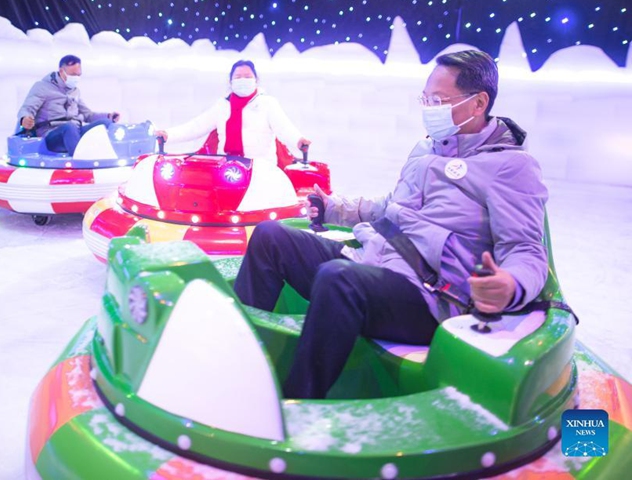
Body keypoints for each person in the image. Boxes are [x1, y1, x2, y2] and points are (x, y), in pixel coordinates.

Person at [233, 50, 549, 399]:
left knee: (339, 279)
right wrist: (333, 208)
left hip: (432, 295)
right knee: (269, 236)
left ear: (479, 103)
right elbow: (392, 206)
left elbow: (526, 249)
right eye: (425, 99)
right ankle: (240, 363)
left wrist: (510, 283)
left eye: (439, 100)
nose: (429, 108)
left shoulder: (512, 167)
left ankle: (294, 405)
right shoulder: (427, 149)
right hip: (377, 259)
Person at [155, 59, 311, 166]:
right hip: (227, 167)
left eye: (247, 77)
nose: (243, 80)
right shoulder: (222, 106)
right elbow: (196, 126)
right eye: (238, 77)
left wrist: (298, 140)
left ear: (256, 80)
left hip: (261, 168)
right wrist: (169, 135)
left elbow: (284, 128)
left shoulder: (267, 103)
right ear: (231, 82)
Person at [18, 55, 120, 156]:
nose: (76, 78)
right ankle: (80, 162)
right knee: (69, 127)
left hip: (75, 131)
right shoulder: (42, 87)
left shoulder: (74, 91)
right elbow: (27, 108)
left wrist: (108, 116)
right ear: (62, 71)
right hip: (52, 134)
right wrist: (25, 119)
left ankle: (107, 156)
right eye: (73, 74)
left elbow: (87, 115)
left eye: (78, 75)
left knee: (105, 123)